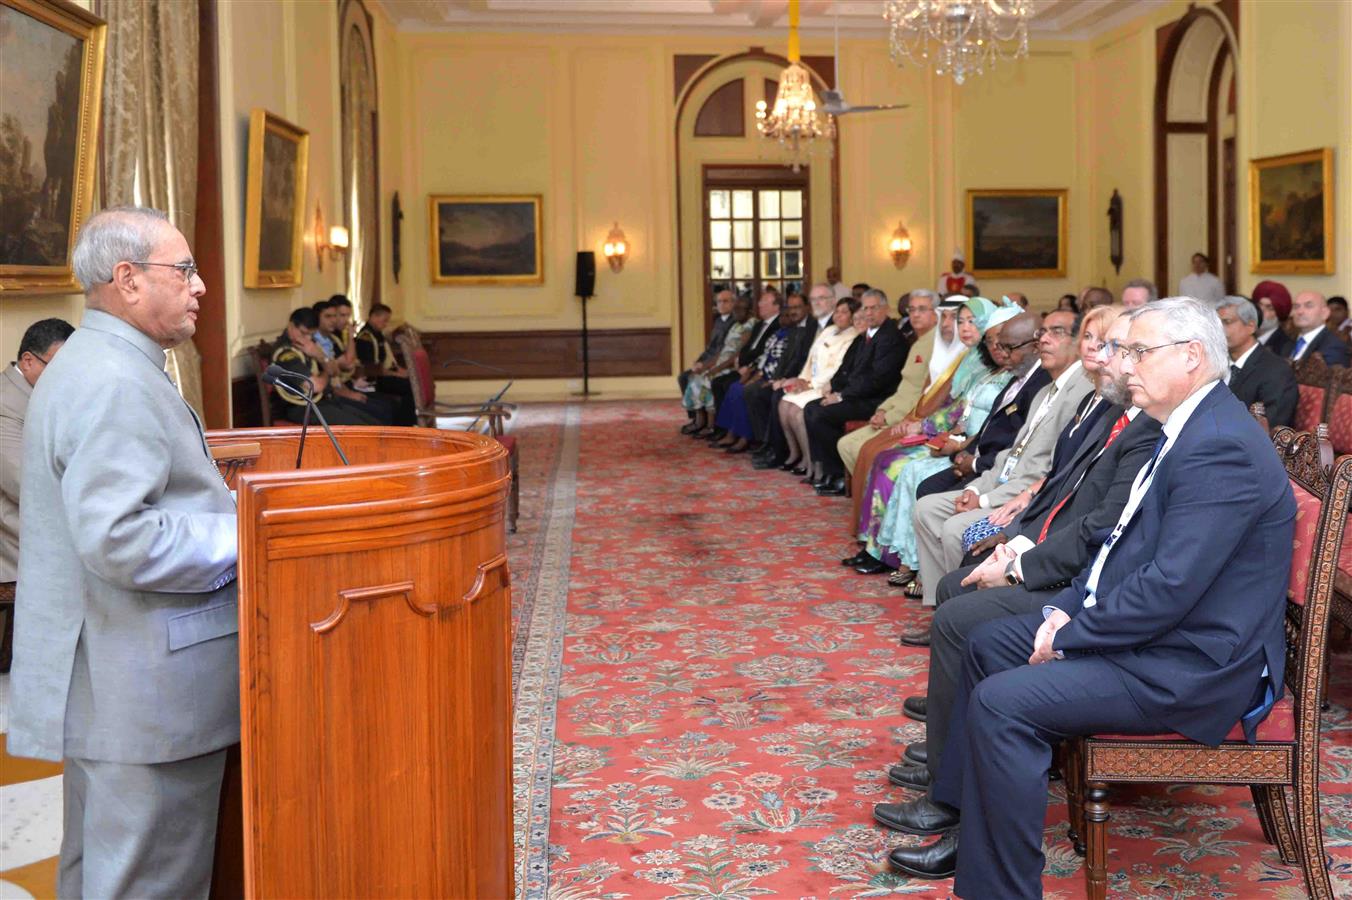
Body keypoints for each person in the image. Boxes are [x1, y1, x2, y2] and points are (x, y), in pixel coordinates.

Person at [886, 298, 1294, 897]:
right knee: (984, 640)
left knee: (1004, 704)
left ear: (1191, 357)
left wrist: (1069, 634)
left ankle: (998, 888)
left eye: (1138, 351)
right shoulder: (1185, 425)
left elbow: (1169, 587)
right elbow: (1125, 553)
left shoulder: (1217, 445)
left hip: (1192, 664)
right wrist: (1067, 608)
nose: (1123, 363)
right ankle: (970, 827)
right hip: (1161, 633)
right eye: (1122, 349)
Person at [9, 207, 242, 897]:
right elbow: (121, 538)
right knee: (147, 882)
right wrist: (245, 531)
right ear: (128, 279)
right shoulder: (115, 380)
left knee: (100, 876)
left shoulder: (94, 360)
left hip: (110, 682)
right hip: (146, 694)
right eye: (186, 269)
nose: (200, 286)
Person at [879, 311, 1164, 812]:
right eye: (1107, 346)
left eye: (1124, 350)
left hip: (1088, 583)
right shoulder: (1109, 411)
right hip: (1053, 541)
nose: (1108, 358)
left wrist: (1018, 558)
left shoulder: (1144, 425)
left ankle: (951, 781)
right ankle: (951, 746)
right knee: (953, 586)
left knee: (958, 609)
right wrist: (1017, 540)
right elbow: (1058, 490)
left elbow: (1099, 527)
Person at [910, 308, 1093, 604]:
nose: (1044, 340)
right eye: (1042, 333)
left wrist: (983, 501)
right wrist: (975, 488)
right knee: (927, 508)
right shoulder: (1047, 389)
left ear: (1079, 342)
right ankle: (937, 603)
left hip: (1025, 496)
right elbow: (1012, 453)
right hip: (1000, 484)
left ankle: (958, 610)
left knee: (956, 526)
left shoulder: (1081, 391)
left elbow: (1046, 472)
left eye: (1055, 332)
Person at [847, 300, 1022, 578]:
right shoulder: (986, 368)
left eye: (971, 322)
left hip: (976, 451)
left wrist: (955, 441)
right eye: (960, 321)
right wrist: (945, 434)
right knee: (888, 461)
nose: (997, 348)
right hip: (958, 439)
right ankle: (885, 552)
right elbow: (963, 409)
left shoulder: (1014, 376)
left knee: (905, 471)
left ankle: (908, 561)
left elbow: (995, 427)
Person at [0, 318, 75, 672]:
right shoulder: (4, 402)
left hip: (50, 504)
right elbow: (20, 483)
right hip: (13, 522)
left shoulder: (50, 393)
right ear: (29, 361)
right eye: (57, 366)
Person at [838, 291, 941, 516]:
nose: (915, 314)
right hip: (894, 409)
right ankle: (871, 502)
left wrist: (891, 417)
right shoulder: (918, 341)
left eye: (922, 309)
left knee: (862, 449)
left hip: (907, 418)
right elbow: (904, 388)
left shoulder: (937, 343)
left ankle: (877, 506)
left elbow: (925, 396)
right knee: (846, 444)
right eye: (912, 309)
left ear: (936, 313)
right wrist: (882, 409)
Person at [805, 289, 910, 495]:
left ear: (885, 309)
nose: (869, 313)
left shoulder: (890, 337)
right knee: (811, 407)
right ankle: (828, 471)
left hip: (877, 400)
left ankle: (839, 476)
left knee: (821, 414)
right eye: (865, 308)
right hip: (857, 395)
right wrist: (835, 389)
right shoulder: (867, 335)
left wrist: (842, 396)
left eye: (874, 308)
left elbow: (877, 379)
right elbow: (848, 370)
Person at [778, 298, 861, 477]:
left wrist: (811, 384)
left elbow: (837, 368)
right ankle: (799, 455)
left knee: (797, 412)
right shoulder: (828, 330)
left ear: (853, 315)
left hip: (825, 386)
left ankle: (815, 464)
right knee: (784, 403)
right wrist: (802, 379)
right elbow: (811, 358)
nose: (838, 315)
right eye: (837, 311)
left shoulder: (854, 335)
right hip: (810, 382)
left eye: (844, 312)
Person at [714, 293, 807, 453]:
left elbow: (779, 362)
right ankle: (732, 432)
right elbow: (762, 355)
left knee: (745, 390)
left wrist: (762, 376)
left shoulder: (790, 333)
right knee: (734, 387)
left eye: (787, 315)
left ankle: (747, 437)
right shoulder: (772, 332)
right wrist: (752, 371)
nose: (783, 319)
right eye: (783, 316)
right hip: (758, 370)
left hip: (774, 376)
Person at [271, 307, 384, 426]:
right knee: (363, 429)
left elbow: (335, 371)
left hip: (323, 400)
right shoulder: (286, 353)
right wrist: (326, 372)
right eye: (304, 333)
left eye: (312, 334)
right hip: (301, 407)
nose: (308, 339)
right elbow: (316, 386)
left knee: (374, 423)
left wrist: (320, 356)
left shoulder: (309, 344)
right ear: (291, 325)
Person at [1214, 296, 1299, 428]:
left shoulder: (1276, 370)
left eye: (1227, 322)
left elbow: (1271, 423)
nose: (1219, 329)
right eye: (1216, 323)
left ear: (1251, 326)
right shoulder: (1215, 364)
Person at [683, 295, 754, 434]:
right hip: (721, 363)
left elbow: (736, 355)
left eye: (740, 309)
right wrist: (706, 366)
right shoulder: (735, 325)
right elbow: (721, 352)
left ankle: (712, 426)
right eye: (735, 309)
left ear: (749, 311)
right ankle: (700, 421)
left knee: (708, 381)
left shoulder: (750, 326)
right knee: (694, 377)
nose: (736, 312)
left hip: (732, 366)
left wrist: (715, 370)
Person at [679, 289, 736, 432]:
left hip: (720, 364)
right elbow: (710, 347)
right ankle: (697, 418)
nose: (722, 304)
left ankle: (708, 423)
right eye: (719, 301)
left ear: (733, 303)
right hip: (708, 361)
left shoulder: (735, 323)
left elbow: (723, 352)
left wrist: (704, 366)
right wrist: (697, 362)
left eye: (726, 301)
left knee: (699, 379)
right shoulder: (717, 321)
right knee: (684, 377)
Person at [353, 303, 418, 426]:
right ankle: (405, 425)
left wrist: (399, 371)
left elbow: (388, 360)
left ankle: (410, 422)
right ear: (374, 317)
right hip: (374, 380)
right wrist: (396, 374)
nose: (385, 324)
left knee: (412, 384)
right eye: (384, 320)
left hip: (383, 374)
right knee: (408, 386)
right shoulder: (365, 337)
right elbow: (371, 369)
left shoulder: (377, 335)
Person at [1285, 290, 1350, 366]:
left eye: (1308, 306)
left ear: (1325, 313)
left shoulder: (1335, 348)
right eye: (1296, 307)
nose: (1300, 312)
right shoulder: (1286, 343)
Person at [1252, 280, 1294, 355]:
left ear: (1279, 314)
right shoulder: (1244, 336)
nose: (1261, 311)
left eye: (1269, 308)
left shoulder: (1285, 347)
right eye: (1259, 305)